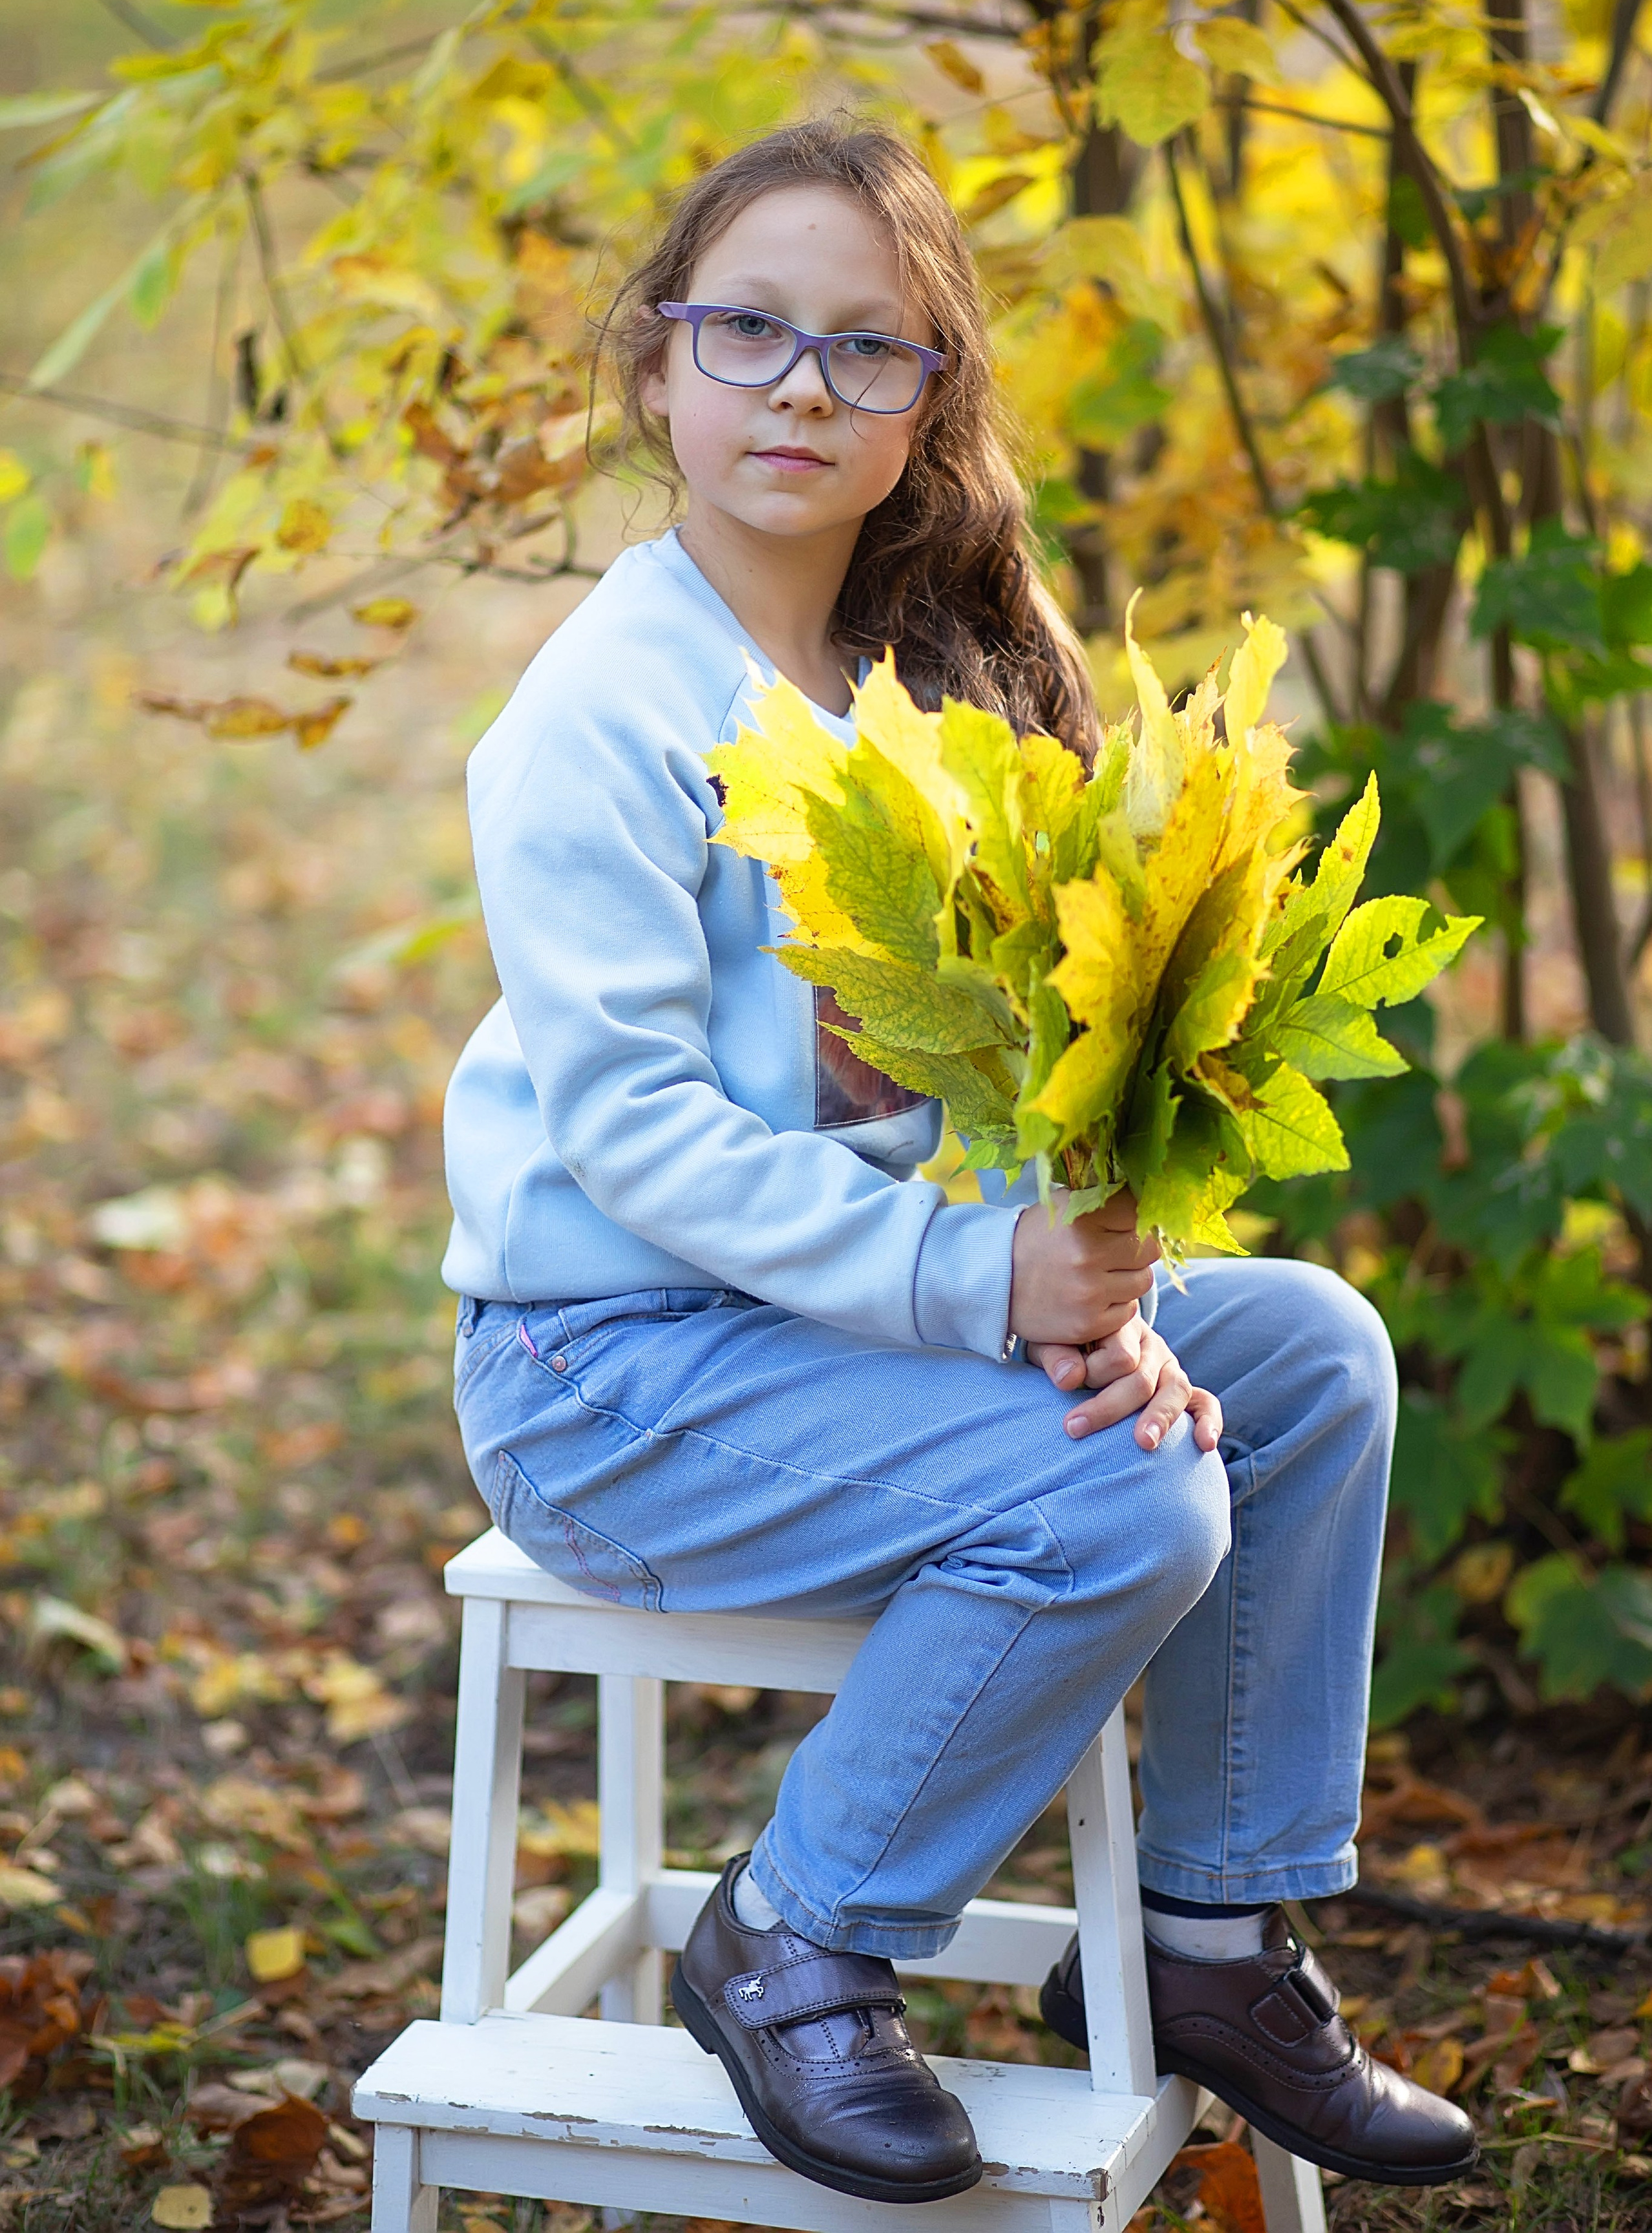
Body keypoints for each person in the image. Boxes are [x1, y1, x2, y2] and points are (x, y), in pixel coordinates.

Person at [443, 118, 1476, 2203]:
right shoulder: (603, 715)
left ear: (930, 408)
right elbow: (642, 1136)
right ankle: (800, 1934)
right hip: (614, 1370)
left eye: (867, 348)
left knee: (1311, 1362)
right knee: (1126, 1505)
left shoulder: (928, 686)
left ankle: (1200, 1941)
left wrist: (1113, 1300)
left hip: (863, 1335)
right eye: (749, 332)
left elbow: (1017, 1087)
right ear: (658, 367)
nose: (802, 386)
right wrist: (989, 1296)